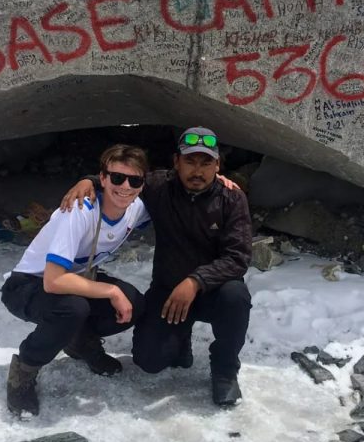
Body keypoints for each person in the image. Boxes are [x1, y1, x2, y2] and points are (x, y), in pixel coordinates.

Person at [62, 127, 253, 408]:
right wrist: (88, 181)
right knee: (149, 361)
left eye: (206, 163)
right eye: (190, 161)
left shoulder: (232, 199)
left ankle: (225, 370)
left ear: (217, 165)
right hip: (168, 292)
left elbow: (238, 258)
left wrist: (195, 281)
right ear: (176, 162)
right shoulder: (159, 186)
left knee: (236, 297)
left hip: (213, 291)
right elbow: (124, 180)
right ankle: (180, 342)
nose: (197, 171)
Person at [1, 144, 150, 417]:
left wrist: (225, 181)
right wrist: (110, 290)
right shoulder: (80, 210)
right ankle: (24, 370)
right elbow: (53, 281)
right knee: (71, 309)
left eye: (134, 180)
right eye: (116, 178)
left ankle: (80, 342)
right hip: (27, 285)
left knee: (135, 303)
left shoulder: (136, 207)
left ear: (142, 184)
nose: (125, 186)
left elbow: (177, 186)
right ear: (103, 179)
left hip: (76, 279)